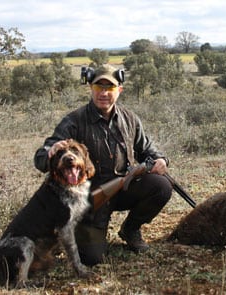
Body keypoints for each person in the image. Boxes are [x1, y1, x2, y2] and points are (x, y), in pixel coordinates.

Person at [34, 64, 172, 265]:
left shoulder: (130, 118)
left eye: (110, 88)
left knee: (161, 186)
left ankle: (130, 230)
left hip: (124, 188)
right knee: (92, 258)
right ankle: (73, 231)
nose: (104, 93)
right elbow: (40, 159)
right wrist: (51, 152)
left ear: (120, 90)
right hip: (90, 200)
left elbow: (148, 149)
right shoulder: (74, 121)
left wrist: (161, 160)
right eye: (99, 87)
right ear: (91, 88)